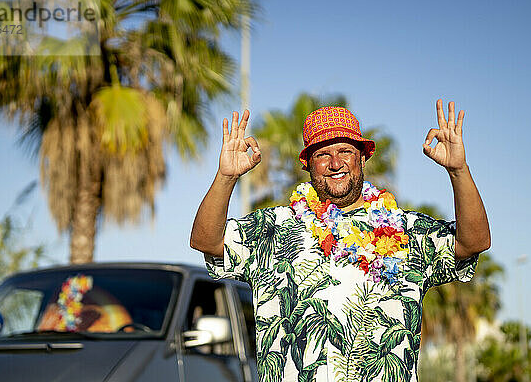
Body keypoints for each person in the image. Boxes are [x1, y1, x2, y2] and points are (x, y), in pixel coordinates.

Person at [190, 101, 490, 382]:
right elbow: (206, 241)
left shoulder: (406, 229)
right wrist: (226, 177)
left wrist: (458, 170)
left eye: (345, 151)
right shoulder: (273, 227)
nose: (335, 163)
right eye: (322, 154)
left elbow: (473, 243)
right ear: (308, 164)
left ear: (362, 158)